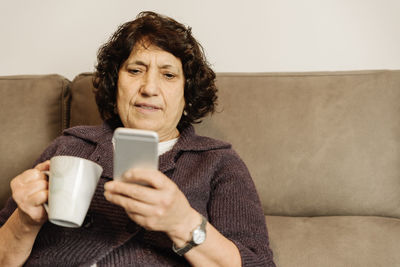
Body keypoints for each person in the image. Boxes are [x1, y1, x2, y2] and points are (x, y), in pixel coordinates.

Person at [0, 11, 275, 266]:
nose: (149, 88)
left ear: (187, 94)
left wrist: (183, 223)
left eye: (168, 75)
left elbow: (258, 263)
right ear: (115, 82)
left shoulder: (218, 162)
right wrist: (24, 221)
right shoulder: (69, 147)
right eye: (135, 70)